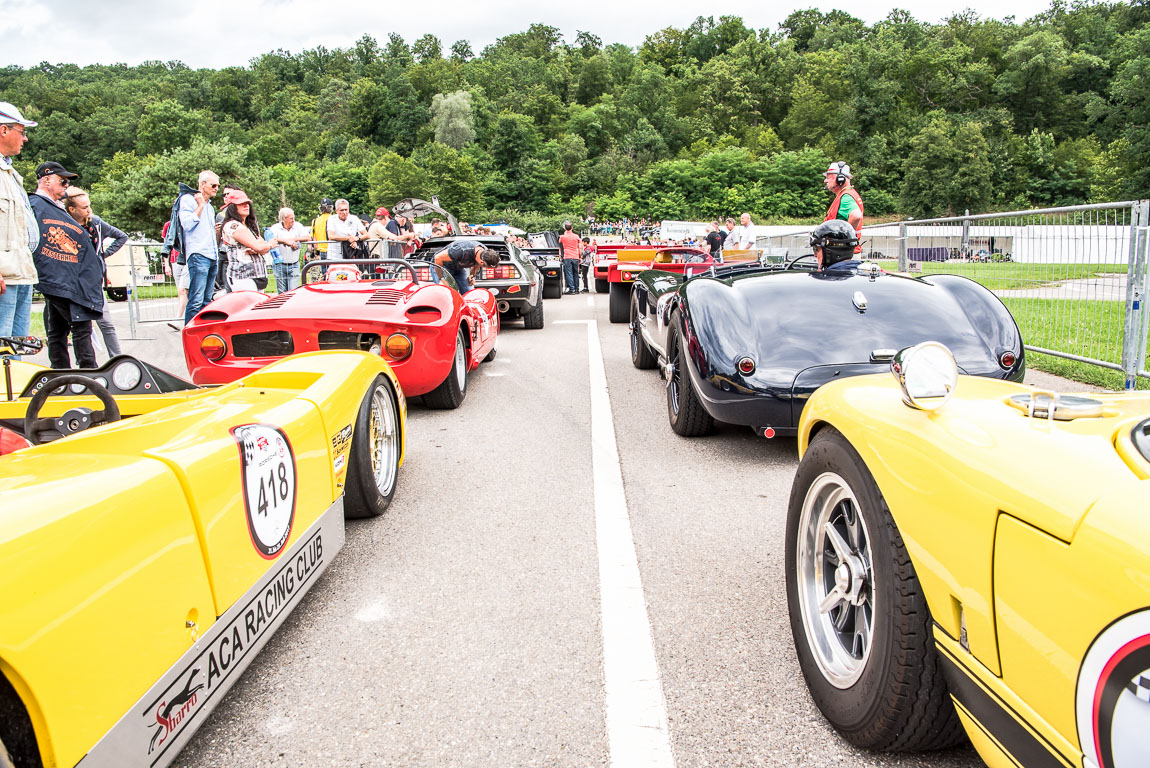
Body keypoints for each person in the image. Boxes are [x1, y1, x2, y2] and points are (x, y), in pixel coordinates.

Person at [29, 161, 103, 368]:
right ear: (46, 180)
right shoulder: (36, 206)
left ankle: (61, 374)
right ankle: (87, 372)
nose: (66, 186)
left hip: (68, 277)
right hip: (60, 277)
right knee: (79, 325)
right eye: (62, 181)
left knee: (58, 328)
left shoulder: (56, 208)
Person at [63, 187, 127, 358]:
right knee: (80, 326)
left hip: (94, 281)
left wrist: (102, 255)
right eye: (84, 207)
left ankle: (117, 358)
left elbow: (121, 236)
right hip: (74, 282)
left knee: (106, 323)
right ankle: (83, 363)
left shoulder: (96, 223)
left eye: (89, 205)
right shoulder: (65, 224)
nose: (89, 210)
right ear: (72, 209)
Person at [0, 102, 38, 348]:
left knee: (16, 350)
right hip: (5, 278)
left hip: (20, 273)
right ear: (3, 130)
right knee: (4, 350)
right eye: (21, 131)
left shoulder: (10, 173)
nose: (24, 139)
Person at [181, 170, 220, 325]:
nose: (216, 188)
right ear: (202, 184)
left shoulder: (210, 208)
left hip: (212, 254)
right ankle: (189, 333)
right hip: (198, 254)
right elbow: (187, 224)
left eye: (218, 185)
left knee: (206, 300)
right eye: (213, 185)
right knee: (196, 299)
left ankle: (203, 333)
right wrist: (200, 205)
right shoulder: (188, 200)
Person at [219, 190, 274, 291]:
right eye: (241, 204)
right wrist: (268, 245)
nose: (246, 206)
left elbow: (261, 247)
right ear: (232, 207)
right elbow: (260, 246)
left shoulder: (249, 226)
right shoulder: (232, 225)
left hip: (258, 275)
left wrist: (261, 247)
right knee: (249, 305)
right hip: (242, 276)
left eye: (247, 203)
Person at [823, 161, 864, 254]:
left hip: (843, 254)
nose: (825, 181)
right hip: (846, 252)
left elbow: (856, 216)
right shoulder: (847, 194)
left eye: (829, 177)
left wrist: (844, 241)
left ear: (840, 179)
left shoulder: (846, 197)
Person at [432, 240, 499, 293]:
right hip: (440, 265)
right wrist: (442, 279)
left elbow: (477, 264)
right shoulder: (461, 250)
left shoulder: (485, 252)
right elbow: (438, 258)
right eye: (484, 266)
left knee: (468, 291)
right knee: (446, 291)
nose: (483, 267)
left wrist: (471, 275)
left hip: (457, 268)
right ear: (482, 262)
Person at [267, 207, 309, 293]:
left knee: (293, 291)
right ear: (283, 219)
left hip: (294, 264)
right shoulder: (275, 228)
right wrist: (286, 241)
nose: (293, 220)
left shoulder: (298, 226)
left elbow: (307, 237)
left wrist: (294, 239)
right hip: (279, 264)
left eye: (293, 218)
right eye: (291, 218)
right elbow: (271, 239)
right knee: (282, 292)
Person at [558, 220, 581, 294]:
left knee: (569, 273)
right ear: (572, 228)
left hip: (567, 256)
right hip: (575, 256)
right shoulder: (576, 236)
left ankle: (572, 289)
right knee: (576, 273)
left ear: (564, 228)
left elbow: (559, 243)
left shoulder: (562, 237)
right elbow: (579, 247)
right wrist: (580, 257)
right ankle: (577, 288)